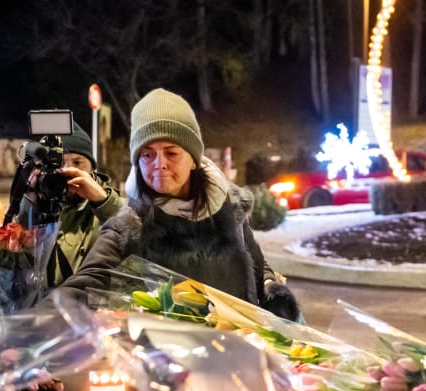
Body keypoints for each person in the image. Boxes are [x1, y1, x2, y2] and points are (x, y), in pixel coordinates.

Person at [58, 89, 301, 320]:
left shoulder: (229, 209)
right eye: (147, 154)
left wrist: (274, 294)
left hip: (238, 354)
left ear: (193, 159)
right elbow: (82, 286)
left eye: (171, 153)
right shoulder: (130, 226)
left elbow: (257, 266)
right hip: (168, 361)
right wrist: (31, 330)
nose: (159, 164)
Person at [13, 121, 122, 287]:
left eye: (78, 163)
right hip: (39, 308)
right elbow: (14, 261)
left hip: (84, 309)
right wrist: (30, 203)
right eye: (60, 163)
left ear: (92, 168)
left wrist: (102, 200)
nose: (68, 170)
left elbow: (132, 241)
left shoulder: (105, 207)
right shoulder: (36, 202)